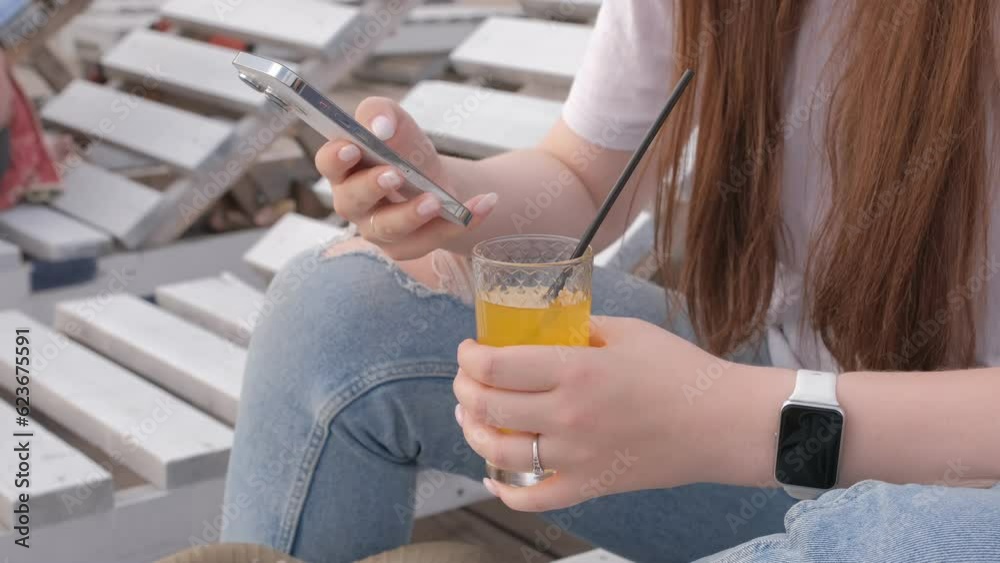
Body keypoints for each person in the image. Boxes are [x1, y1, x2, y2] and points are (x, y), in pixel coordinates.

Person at [222, 1, 1000, 562]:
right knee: (333, 312)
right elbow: (581, 178)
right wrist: (445, 196)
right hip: (781, 399)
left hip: (943, 487)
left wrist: (734, 420)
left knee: (887, 534)